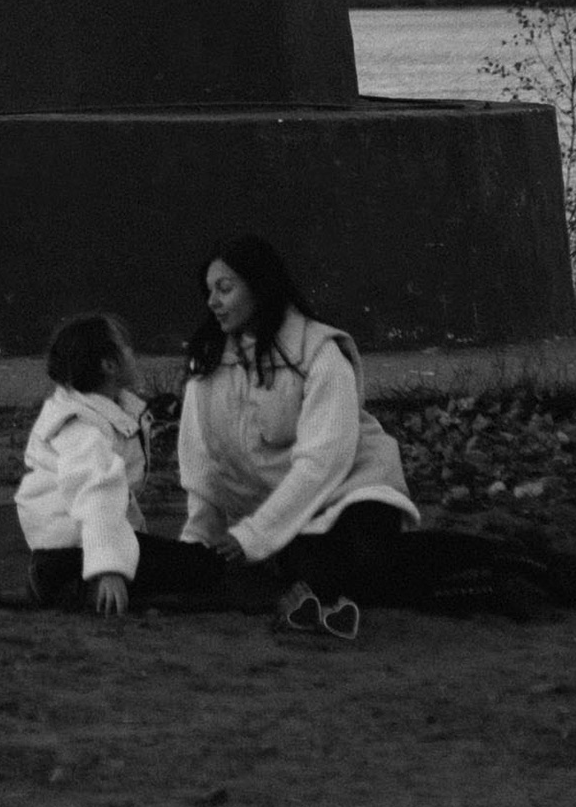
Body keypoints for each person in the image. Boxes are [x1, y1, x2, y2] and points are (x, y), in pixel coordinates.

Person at [179, 234, 422, 628]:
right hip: (282, 515)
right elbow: (202, 469)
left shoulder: (319, 354)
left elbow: (325, 461)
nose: (213, 302)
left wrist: (255, 535)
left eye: (225, 288)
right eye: (209, 291)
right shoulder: (207, 368)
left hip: (350, 492)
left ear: (259, 286)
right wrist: (197, 545)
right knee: (307, 566)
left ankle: (494, 565)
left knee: (366, 561)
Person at [16, 311, 151, 615]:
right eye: (125, 345)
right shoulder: (82, 426)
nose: (132, 352)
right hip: (71, 548)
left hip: (75, 541)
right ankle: (73, 581)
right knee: (199, 566)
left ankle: (68, 575)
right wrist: (109, 569)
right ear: (109, 364)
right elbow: (96, 492)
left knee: (173, 559)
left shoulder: (105, 410)